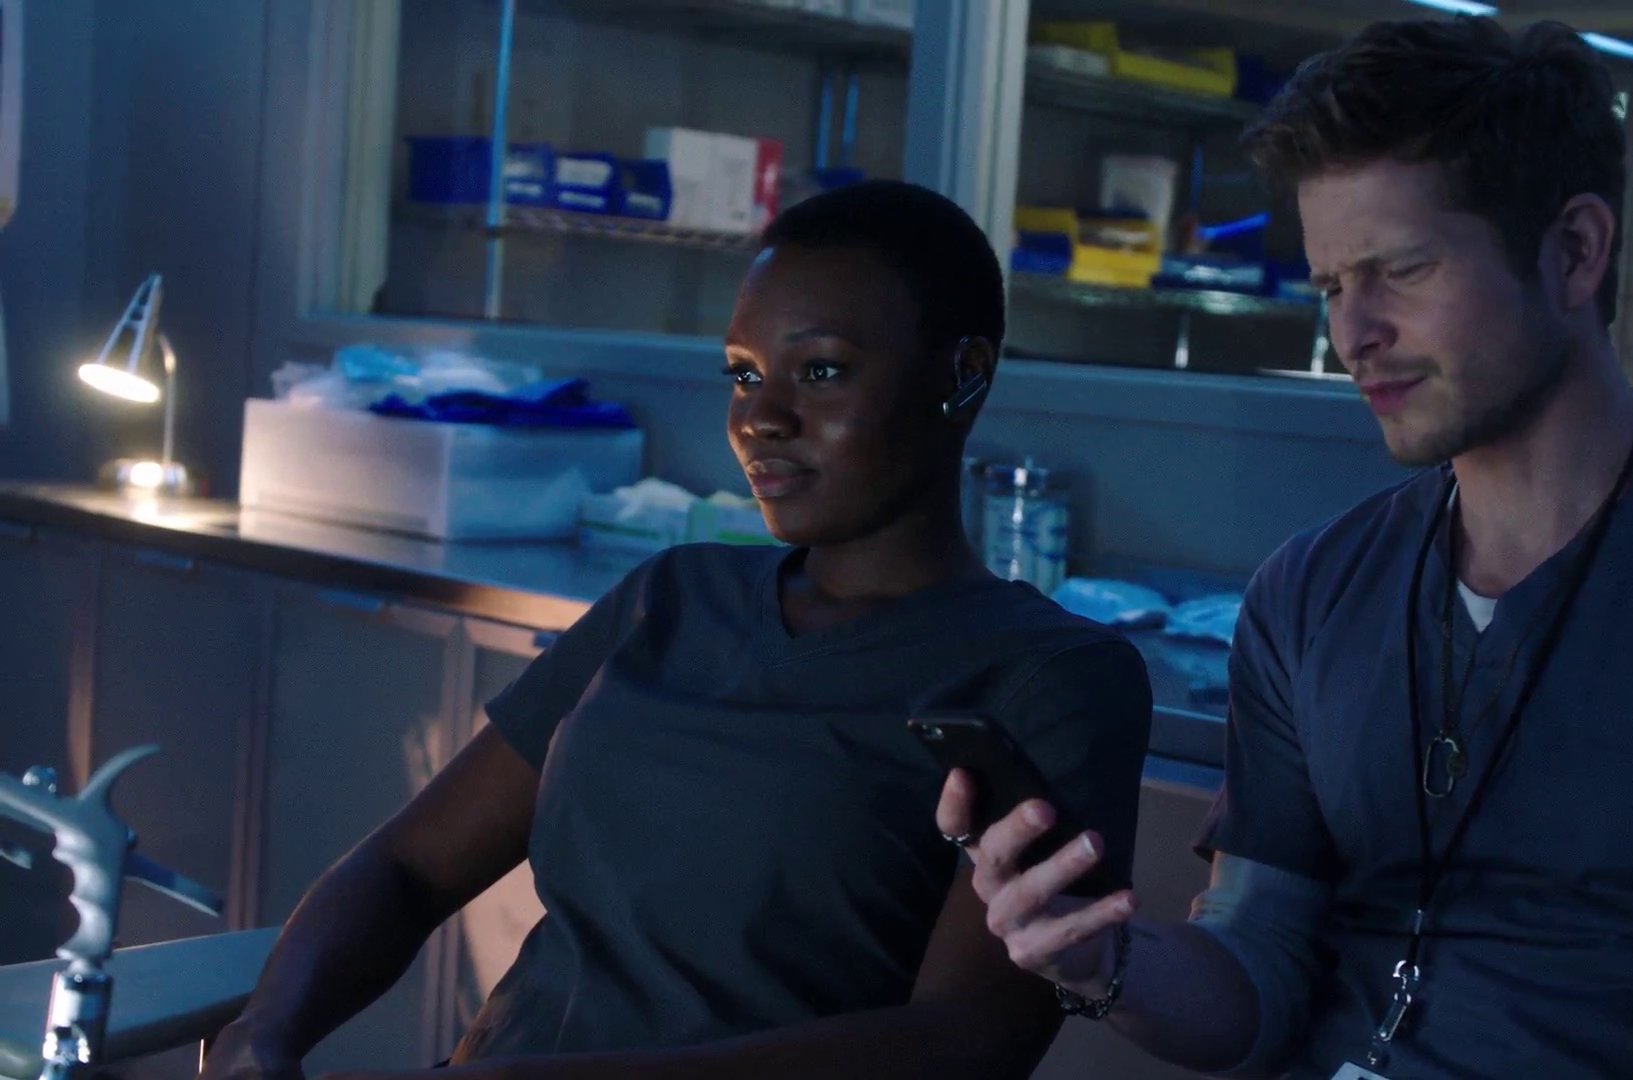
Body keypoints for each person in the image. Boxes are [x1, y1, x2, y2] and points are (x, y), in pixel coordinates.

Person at [943, 17, 1633, 1079]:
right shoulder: (1313, 591)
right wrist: (1103, 958)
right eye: (1331, 286)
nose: (1350, 335)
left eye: (1400, 271)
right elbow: (1255, 976)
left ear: (1575, 251)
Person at [201, 181, 1153, 1080]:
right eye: (744, 375)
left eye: (821, 371)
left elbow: (967, 1042)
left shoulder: (1050, 676)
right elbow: (409, 867)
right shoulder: (674, 597)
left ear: (964, 374)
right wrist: (261, 1035)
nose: (761, 418)